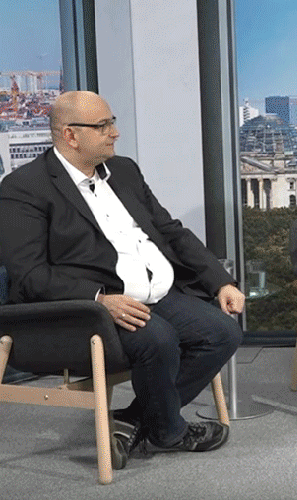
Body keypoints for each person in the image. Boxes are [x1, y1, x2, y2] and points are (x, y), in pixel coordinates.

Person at [0, 91, 244, 469]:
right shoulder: (24, 189)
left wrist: (219, 281)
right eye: (104, 126)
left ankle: (131, 420)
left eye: (112, 123)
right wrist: (98, 299)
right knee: (158, 339)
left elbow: (171, 231)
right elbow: (29, 274)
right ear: (70, 135)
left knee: (223, 333)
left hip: (157, 294)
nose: (114, 133)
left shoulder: (125, 171)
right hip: (85, 312)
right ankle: (168, 432)